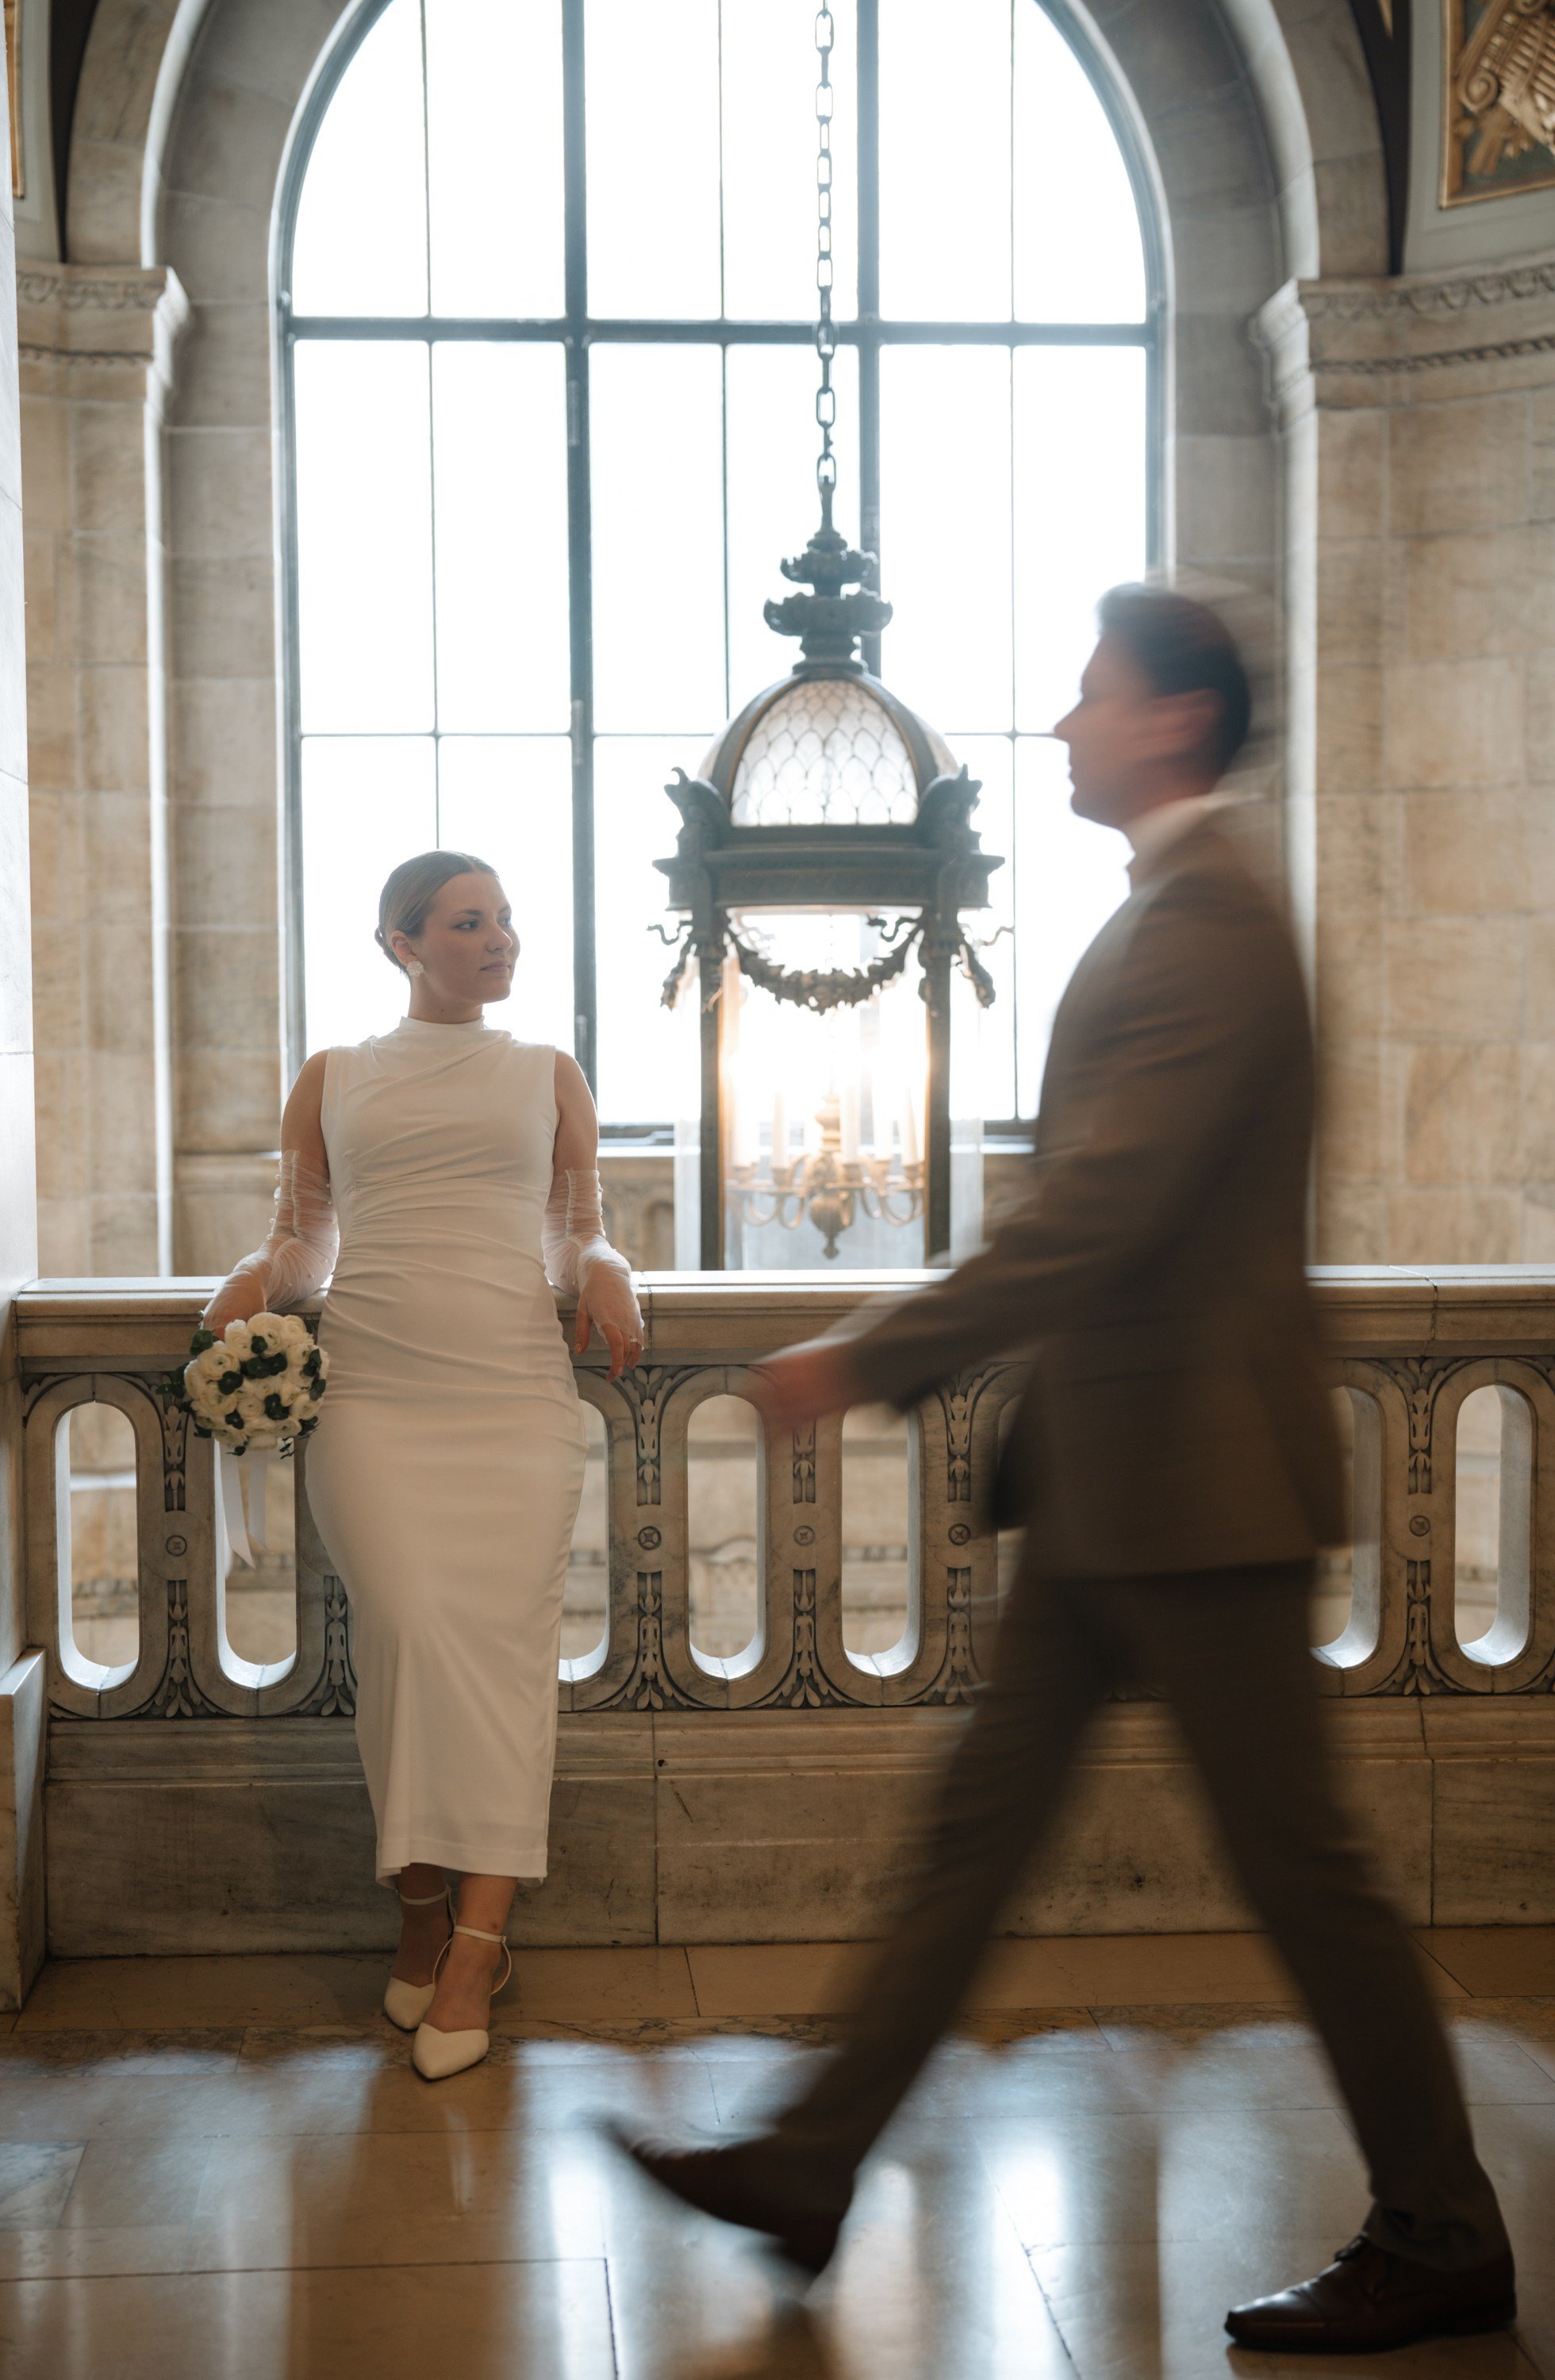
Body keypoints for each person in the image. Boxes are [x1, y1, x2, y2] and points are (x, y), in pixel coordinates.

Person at [612, 588, 1515, 2356]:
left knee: (1304, 1874)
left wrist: (873, 1353)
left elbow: (1104, 1211)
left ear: (1175, 722)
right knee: (972, 1840)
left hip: (1198, 1499)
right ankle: (811, 2165)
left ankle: (1443, 2228)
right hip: (1125, 1489)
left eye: (1092, 696)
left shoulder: (1209, 925)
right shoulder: (1175, 913)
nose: (1061, 722)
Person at [203, 850, 642, 2081]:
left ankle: (473, 1947)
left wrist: (608, 1271)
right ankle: (418, 1910)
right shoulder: (333, 1076)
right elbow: (303, 1240)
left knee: (500, 1664)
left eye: (505, 920)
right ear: (402, 944)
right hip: (380, 1404)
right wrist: (237, 1293)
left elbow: (576, 1227)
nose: (500, 941)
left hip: (513, 1401)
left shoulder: (547, 1072)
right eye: (467, 923)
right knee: (405, 1644)